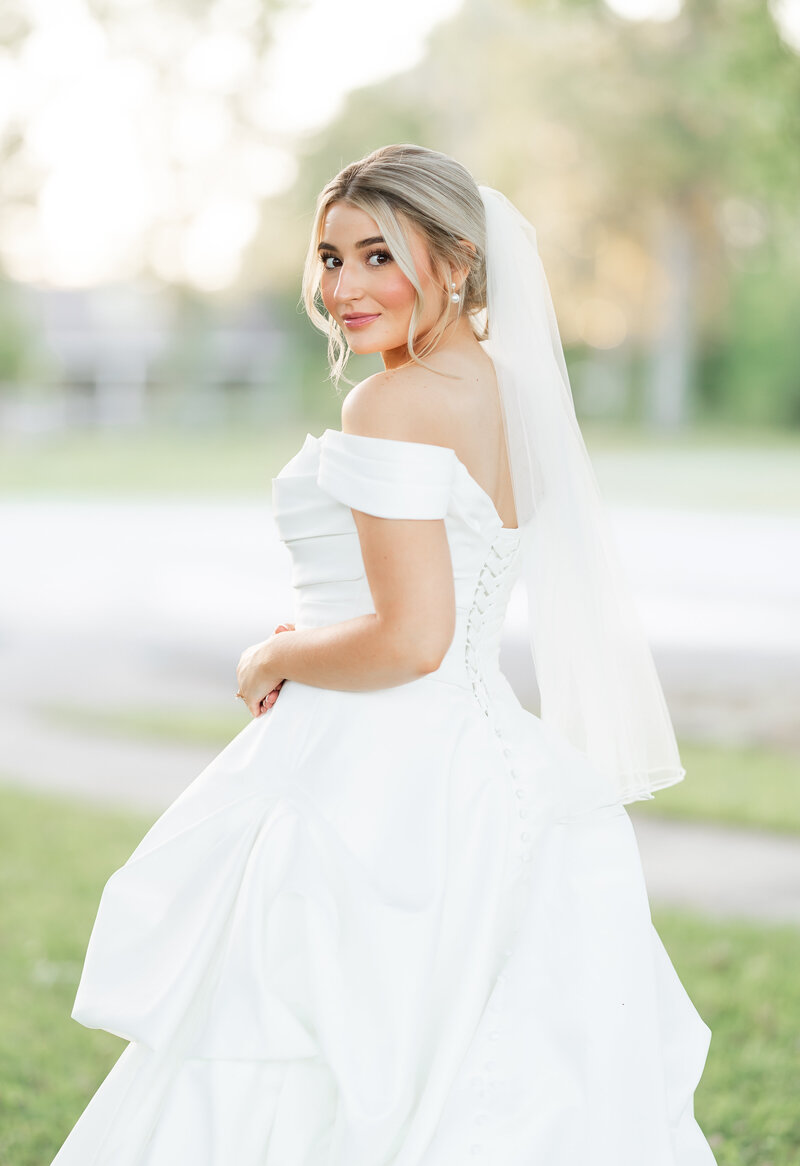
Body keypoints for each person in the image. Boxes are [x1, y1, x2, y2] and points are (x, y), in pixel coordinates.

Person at [50, 144, 718, 1165]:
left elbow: (411, 639)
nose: (342, 287)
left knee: (311, 1039)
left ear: (455, 261)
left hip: (376, 773)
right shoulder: (500, 387)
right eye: (328, 257)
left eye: (376, 255)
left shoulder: (392, 402)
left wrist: (273, 654)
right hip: (492, 761)